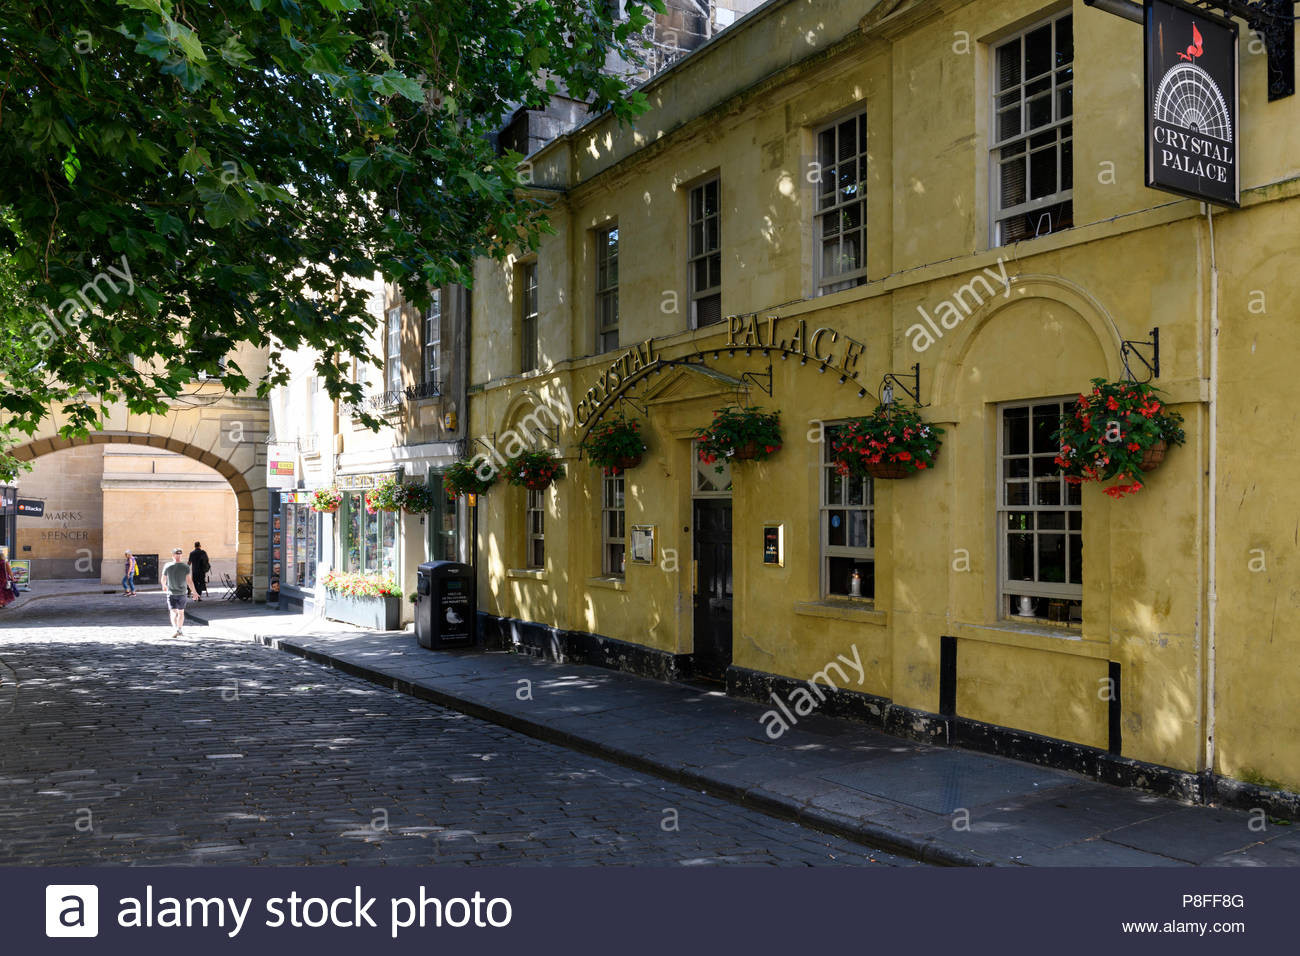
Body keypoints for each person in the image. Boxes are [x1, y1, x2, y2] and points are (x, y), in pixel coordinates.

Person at [161, 547, 195, 638]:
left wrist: (164, 585)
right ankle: (179, 629)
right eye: (179, 554)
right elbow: (189, 581)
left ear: (173, 555)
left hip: (171, 593)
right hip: (182, 593)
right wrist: (194, 592)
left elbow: (163, 579)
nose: (178, 556)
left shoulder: (167, 566)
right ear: (181, 555)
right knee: (181, 613)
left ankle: (176, 629)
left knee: (173, 612)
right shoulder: (185, 567)